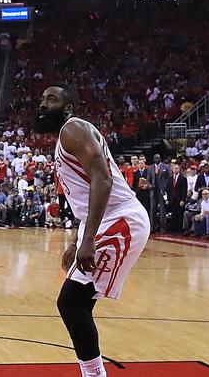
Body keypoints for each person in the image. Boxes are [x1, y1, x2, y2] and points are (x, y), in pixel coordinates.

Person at [35, 84, 151, 377]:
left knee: (71, 302)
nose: (43, 104)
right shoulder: (67, 136)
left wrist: (88, 241)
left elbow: (103, 179)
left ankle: (95, 374)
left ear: (68, 107)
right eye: (42, 99)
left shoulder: (73, 129)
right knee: (76, 304)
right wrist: (77, 240)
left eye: (52, 99)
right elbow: (85, 197)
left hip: (122, 219)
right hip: (107, 220)